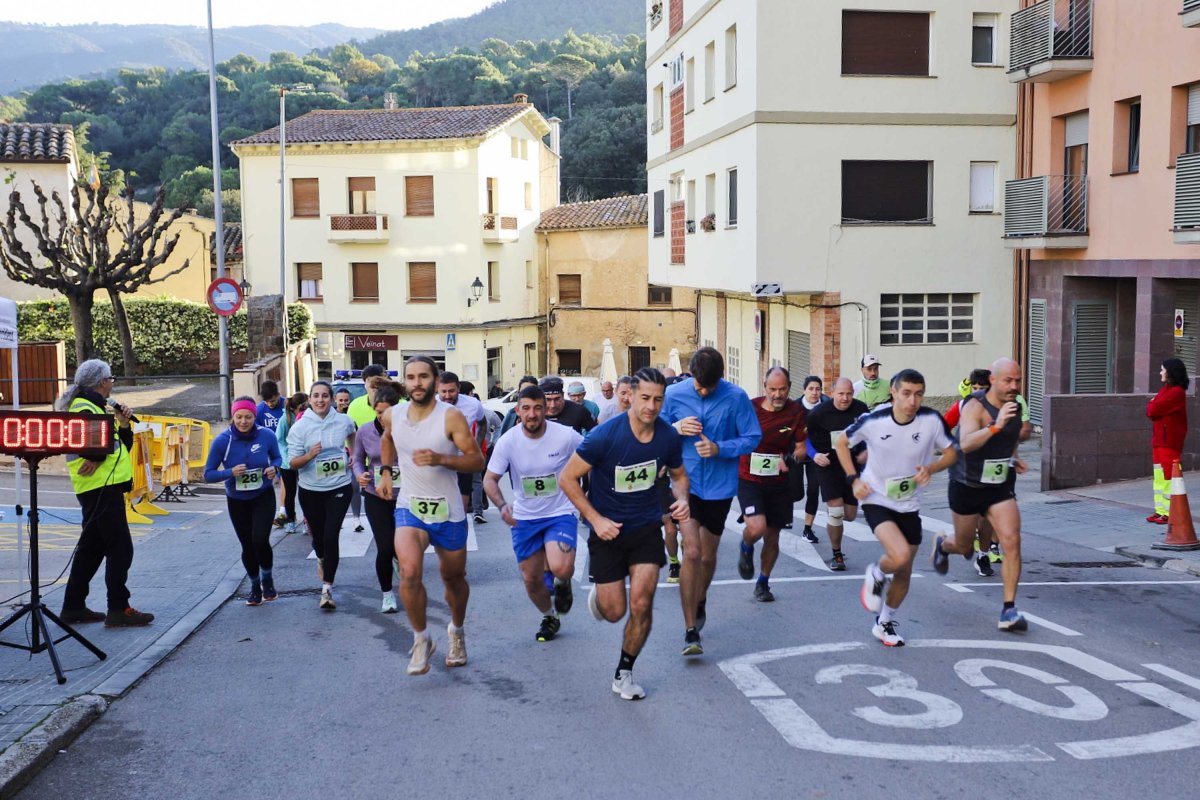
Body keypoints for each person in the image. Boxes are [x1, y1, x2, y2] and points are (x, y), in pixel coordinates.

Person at [560, 368, 689, 700]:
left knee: (643, 603)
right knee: (615, 611)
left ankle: (624, 672)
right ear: (630, 396)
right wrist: (594, 519)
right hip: (608, 531)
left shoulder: (667, 437)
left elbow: (679, 474)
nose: (651, 406)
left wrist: (683, 499)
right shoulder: (606, 435)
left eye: (658, 399)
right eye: (645, 398)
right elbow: (567, 479)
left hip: (646, 527)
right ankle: (603, 598)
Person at [378, 356, 485, 676]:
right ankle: (421, 638)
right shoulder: (393, 415)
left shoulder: (450, 418)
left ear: (435, 381)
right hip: (410, 506)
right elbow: (387, 440)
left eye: (423, 376)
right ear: (404, 382)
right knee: (409, 572)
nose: (417, 383)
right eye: (411, 377)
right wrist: (386, 471)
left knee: (453, 579)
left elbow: (476, 461)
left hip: (448, 510)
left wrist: (441, 458)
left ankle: (457, 631)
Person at [838, 368, 957, 647]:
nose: (912, 401)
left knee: (904, 570)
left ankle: (884, 622)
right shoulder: (874, 420)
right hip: (876, 497)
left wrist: (932, 467)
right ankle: (877, 572)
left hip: (910, 503)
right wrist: (853, 479)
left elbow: (951, 452)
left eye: (918, 394)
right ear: (893, 392)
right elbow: (842, 444)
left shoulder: (931, 420)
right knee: (900, 555)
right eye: (906, 394)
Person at [662, 346, 762, 656]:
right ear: (690, 373)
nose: (703, 390)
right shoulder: (674, 394)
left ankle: (700, 597)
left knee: (706, 558)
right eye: (699, 384)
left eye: (710, 386)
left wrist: (721, 448)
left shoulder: (736, 397)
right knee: (690, 552)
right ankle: (691, 629)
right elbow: (653, 431)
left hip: (719, 488)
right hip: (684, 483)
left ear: (722, 377)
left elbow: (752, 437)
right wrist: (676, 428)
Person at [932, 358, 1030, 632]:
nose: (1014, 386)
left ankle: (1009, 610)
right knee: (964, 547)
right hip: (967, 484)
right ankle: (943, 545)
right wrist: (995, 425)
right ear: (993, 380)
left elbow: (1008, 437)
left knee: (1012, 541)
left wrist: (1015, 456)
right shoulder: (974, 406)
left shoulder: (1015, 404)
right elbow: (966, 443)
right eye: (1009, 381)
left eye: (1018, 380)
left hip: (998, 486)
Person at [57, 359, 155, 627]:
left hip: (103, 486)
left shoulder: (98, 408)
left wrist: (124, 424)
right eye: (111, 378)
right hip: (99, 488)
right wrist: (98, 455)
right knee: (120, 548)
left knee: (92, 548)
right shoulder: (85, 408)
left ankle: (73, 606)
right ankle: (118, 608)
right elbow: (91, 447)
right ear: (102, 382)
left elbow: (118, 446)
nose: (113, 383)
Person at [484, 386, 584, 642]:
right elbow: (490, 480)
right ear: (517, 411)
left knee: (562, 567)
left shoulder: (565, 436)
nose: (532, 414)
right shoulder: (508, 441)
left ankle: (562, 581)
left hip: (560, 510)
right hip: (525, 516)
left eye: (537, 408)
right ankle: (549, 616)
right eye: (526, 408)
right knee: (531, 580)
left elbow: (591, 456)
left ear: (545, 410)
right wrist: (502, 505)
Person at [737, 367, 807, 602]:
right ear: (764, 387)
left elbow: (801, 448)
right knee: (756, 528)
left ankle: (763, 583)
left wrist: (790, 460)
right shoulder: (750, 407)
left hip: (778, 483)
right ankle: (746, 546)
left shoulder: (796, 412)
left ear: (789, 387)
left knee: (772, 536)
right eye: (772, 389)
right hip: (749, 478)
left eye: (783, 389)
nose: (778, 394)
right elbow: (733, 436)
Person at [205, 397, 283, 605]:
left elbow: (278, 458)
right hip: (237, 500)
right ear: (233, 416)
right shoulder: (223, 440)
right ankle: (255, 585)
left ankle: (267, 578)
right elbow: (208, 474)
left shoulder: (266, 435)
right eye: (239, 417)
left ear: (254, 417)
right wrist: (230, 472)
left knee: (260, 539)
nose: (243, 421)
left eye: (248, 417)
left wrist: (273, 469)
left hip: (263, 495)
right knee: (247, 545)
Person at [287, 381, 358, 610]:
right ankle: (320, 558)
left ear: (332, 398)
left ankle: (327, 590)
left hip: (339, 486)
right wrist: (309, 455)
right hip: (311, 490)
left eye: (325, 396)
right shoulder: (300, 427)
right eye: (316, 396)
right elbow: (293, 463)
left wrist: (354, 455)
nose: (320, 400)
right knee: (318, 539)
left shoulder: (343, 420)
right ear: (309, 399)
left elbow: (353, 434)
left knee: (331, 537)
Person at [351, 383, 405, 613]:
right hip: (376, 495)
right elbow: (356, 459)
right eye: (378, 411)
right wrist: (359, 475)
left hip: (405, 496)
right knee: (384, 546)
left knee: (402, 548)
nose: (382, 416)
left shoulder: (408, 429)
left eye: (387, 411)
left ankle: (398, 559)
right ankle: (387, 595)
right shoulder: (364, 431)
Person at [806, 378, 870, 572]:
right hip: (828, 466)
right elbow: (804, 438)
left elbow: (870, 433)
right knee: (836, 512)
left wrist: (866, 452)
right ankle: (837, 554)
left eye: (849, 393)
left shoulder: (861, 410)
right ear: (832, 393)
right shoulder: (818, 413)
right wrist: (814, 455)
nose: (845, 398)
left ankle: (836, 514)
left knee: (849, 515)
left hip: (851, 466)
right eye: (841, 394)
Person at [436, 371, 488, 522]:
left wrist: (476, 448)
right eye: (443, 391)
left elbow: (483, 424)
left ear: (458, 388)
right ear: (437, 389)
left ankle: (458, 531)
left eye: (451, 391)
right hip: (440, 460)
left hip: (463, 459)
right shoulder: (430, 404)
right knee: (442, 505)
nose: (447, 395)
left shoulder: (472, 404)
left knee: (461, 507)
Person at [1146, 358, 1190, 524]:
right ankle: (1160, 510)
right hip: (1159, 440)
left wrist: (1153, 404)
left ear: (1171, 372)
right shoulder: (1166, 389)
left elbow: (1153, 408)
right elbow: (1151, 410)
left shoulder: (1176, 392)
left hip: (1169, 441)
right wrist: (1153, 405)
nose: (1160, 373)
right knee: (1159, 477)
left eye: (1163, 370)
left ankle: (1170, 512)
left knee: (1168, 477)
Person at [798, 375, 830, 543]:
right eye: (811, 388)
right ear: (804, 390)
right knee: (795, 492)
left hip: (816, 453)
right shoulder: (795, 407)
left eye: (818, 389)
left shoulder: (826, 407)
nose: (815, 392)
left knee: (813, 489)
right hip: (797, 450)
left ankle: (807, 529)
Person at [273, 392, 307, 533]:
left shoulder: (305, 418)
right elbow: (278, 439)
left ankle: (307, 521)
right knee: (290, 493)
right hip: (287, 462)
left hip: (303, 460)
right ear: (298, 406)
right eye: (305, 405)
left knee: (306, 492)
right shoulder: (284, 420)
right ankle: (291, 521)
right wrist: (287, 450)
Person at [334, 387, 364, 532]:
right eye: (340, 400)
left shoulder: (352, 417)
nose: (344, 403)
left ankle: (356, 519)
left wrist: (355, 454)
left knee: (354, 487)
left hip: (350, 454)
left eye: (346, 400)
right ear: (335, 400)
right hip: (335, 457)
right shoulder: (331, 416)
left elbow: (356, 437)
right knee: (336, 489)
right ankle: (337, 519)